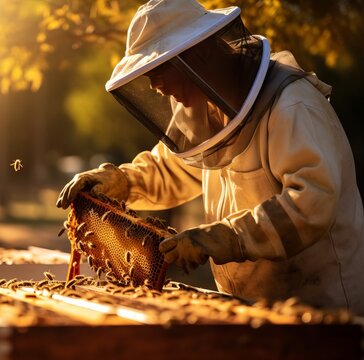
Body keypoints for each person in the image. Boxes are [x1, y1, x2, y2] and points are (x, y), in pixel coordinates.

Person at [56, 0, 364, 315]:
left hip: (323, 309)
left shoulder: (292, 107)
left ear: (198, 53)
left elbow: (311, 203)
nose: (154, 87)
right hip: (249, 307)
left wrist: (222, 238)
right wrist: (123, 181)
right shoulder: (201, 108)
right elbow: (172, 168)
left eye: (159, 69)